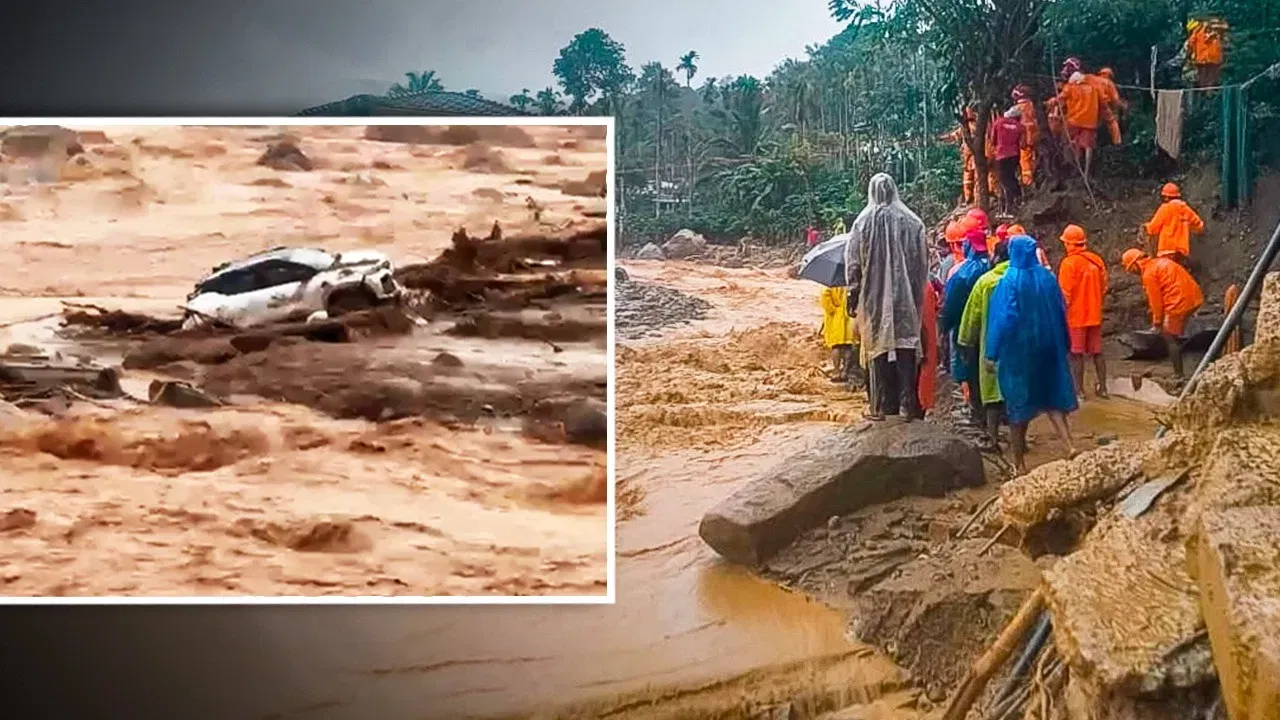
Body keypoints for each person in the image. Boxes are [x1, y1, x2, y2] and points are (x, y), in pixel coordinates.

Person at [986, 235, 1079, 475]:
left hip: (1020, 351)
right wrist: (1066, 342)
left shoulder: (1009, 282)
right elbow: (1061, 310)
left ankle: (1019, 464)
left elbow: (1003, 319)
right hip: (1050, 346)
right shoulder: (1048, 278)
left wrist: (991, 353)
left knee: (1018, 404)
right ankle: (1069, 445)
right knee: (1052, 397)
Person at [844, 173, 931, 421]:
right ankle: (907, 403)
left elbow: (853, 264)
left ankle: (880, 406)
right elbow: (922, 261)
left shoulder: (861, 223)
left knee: (876, 346)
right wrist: (915, 291)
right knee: (906, 343)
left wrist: (853, 294)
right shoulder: (912, 222)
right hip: (905, 295)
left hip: (873, 296)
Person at [958, 234, 1011, 451]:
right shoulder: (1029, 279)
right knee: (1017, 391)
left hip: (990, 343)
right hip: (1023, 345)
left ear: (997, 257)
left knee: (992, 391)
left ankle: (993, 438)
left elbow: (972, 315)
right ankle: (1021, 442)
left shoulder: (986, 282)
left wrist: (964, 341)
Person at [1121, 248, 1204, 380]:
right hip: (1193, 297)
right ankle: (1180, 359)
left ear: (1136, 264)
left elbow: (1156, 301)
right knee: (1173, 333)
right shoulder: (1160, 262)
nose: (1133, 273)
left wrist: (1157, 323)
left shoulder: (1149, 274)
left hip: (1178, 302)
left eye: (1131, 269)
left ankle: (1178, 375)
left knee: (1169, 336)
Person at [943, 229, 991, 424]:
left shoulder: (962, 273)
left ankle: (976, 413)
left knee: (969, 371)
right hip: (991, 328)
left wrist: (945, 326)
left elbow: (951, 304)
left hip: (967, 328)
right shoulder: (995, 266)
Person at [1057, 224, 1109, 399]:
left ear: (1071, 244)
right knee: (1097, 352)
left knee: (1076, 353)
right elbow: (1104, 287)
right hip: (1094, 314)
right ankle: (1103, 388)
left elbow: (1065, 294)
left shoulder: (1068, 263)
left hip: (1075, 316)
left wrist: (1060, 314)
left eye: (1065, 243)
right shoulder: (1097, 260)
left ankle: (1079, 391)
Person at [1143, 183, 1205, 266]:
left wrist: (1146, 227)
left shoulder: (1165, 209)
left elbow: (1153, 228)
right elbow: (1199, 225)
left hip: (1166, 250)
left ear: (1166, 197)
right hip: (1182, 251)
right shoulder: (1185, 209)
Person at [1057, 70, 1103, 179]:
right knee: (1088, 146)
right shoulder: (1094, 87)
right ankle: (1086, 173)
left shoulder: (1070, 87)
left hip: (1074, 120)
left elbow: (1060, 99)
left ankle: (1074, 167)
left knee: (1067, 140)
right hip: (1090, 121)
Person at [820, 285, 858, 383]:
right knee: (848, 345)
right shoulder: (850, 282)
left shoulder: (830, 284)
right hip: (849, 318)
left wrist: (832, 310)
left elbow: (825, 297)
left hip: (835, 319)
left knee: (836, 345)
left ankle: (836, 371)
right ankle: (845, 371)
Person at [993, 107, 1025, 214]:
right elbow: (1023, 144)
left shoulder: (998, 122)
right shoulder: (1020, 127)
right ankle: (1018, 197)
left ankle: (1013, 202)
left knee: (1004, 180)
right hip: (1015, 155)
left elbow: (993, 139)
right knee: (1011, 177)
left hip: (1001, 155)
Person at [1183, 19, 1228, 88]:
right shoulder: (1198, 33)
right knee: (1207, 80)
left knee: (1207, 80)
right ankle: (1206, 93)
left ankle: (1206, 93)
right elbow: (1191, 44)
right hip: (1206, 60)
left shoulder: (1213, 34)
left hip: (1208, 60)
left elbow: (1190, 45)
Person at [1011, 85, 1040, 187]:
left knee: (1025, 160)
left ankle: (1028, 182)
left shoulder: (1018, 108)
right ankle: (1036, 177)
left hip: (1025, 137)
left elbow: (1006, 115)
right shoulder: (1032, 105)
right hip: (1036, 135)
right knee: (1034, 157)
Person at [1091, 68, 1128, 146]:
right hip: (1104, 104)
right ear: (1110, 75)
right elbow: (1115, 99)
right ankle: (1117, 142)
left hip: (1092, 105)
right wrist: (1119, 108)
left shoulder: (1093, 81)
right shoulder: (1109, 83)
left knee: (1093, 125)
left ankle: (1095, 143)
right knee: (1112, 122)